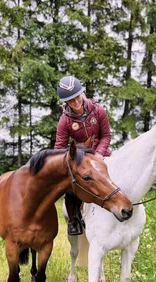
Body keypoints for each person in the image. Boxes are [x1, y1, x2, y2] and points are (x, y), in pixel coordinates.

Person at [55, 76, 112, 235]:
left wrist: (99, 153)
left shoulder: (98, 110)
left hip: (101, 153)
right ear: (66, 102)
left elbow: (106, 135)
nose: (76, 102)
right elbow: (59, 147)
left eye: (78, 96)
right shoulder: (64, 121)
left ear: (82, 93)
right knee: (71, 181)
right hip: (81, 157)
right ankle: (74, 219)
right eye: (71, 100)